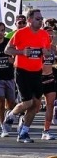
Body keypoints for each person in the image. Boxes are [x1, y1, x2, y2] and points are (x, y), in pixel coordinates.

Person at [4, 8, 50, 143]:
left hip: (37, 72)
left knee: (36, 105)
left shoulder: (44, 34)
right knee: (28, 102)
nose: (40, 21)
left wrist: (45, 52)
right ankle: (11, 114)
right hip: (22, 71)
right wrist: (22, 52)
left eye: (41, 19)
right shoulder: (20, 33)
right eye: (37, 19)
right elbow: (7, 50)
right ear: (29, 20)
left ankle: (24, 132)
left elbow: (47, 50)